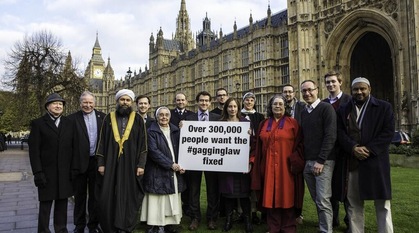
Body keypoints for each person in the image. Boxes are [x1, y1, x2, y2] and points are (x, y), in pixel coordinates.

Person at [337, 77, 394, 233]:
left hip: (376, 161)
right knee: (354, 203)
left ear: (369, 89)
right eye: (356, 89)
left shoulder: (384, 107)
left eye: (363, 89)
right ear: (351, 90)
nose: (359, 92)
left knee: (382, 203)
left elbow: (387, 133)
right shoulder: (344, 109)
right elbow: (340, 133)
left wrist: (369, 149)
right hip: (353, 161)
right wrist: (353, 147)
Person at [95, 89, 148, 233]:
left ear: (131, 102)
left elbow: (143, 144)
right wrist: (101, 163)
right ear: (117, 101)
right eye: (122, 100)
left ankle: (125, 224)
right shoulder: (108, 118)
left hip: (131, 163)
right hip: (111, 162)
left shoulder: (137, 119)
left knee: (129, 193)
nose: (125, 103)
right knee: (108, 194)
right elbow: (101, 142)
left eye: (128, 100)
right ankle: (109, 224)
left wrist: (141, 165)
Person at [251, 95, 304, 233]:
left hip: (286, 167)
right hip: (267, 166)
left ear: (285, 106)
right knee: (270, 196)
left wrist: (296, 160)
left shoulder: (293, 123)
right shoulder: (263, 123)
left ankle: (288, 227)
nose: (278, 106)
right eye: (275, 104)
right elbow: (257, 143)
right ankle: (273, 227)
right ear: (270, 106)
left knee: (287, 195)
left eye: (281, 104)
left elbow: (300, 144)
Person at [28, 93, 75, 233]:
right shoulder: (38, 124)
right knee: (45, 205)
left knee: (62, 204)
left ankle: (61, 230)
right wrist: (38, 172)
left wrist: (73, 169)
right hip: (46, 173)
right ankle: (43, 230)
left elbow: (73, 147)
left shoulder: (69, 123)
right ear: (48, 106)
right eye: (55, 103)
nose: (58, 106)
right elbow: (34, 151)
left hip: (64, 172)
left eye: (61, 104)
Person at [141, 106, 186, 233]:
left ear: (170, 117)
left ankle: (170, 224)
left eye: (166, 115)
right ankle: (153, 225)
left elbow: (183, 150)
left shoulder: (176, 130)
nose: (164, 117)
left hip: (174, 171)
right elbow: (154, 152)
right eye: (161, 115)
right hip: (157, 171)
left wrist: (182, 165)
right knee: (157, 199)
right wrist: (171, 164)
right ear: (156, 117)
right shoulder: (151, 132)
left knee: (171, 198)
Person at [300, 80, 336, 233]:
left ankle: (326, 230)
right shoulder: (303, 112)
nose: (307, 93)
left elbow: (330, 136)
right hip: (307, 162)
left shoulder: (326, 108)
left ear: (317, 90)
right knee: (317, 199)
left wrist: (321, 160)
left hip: (323, 162)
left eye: (310, 90)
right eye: (304, 91)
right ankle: (325, 225)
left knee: (322, 199)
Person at [69, 91, 105, 233]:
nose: (88, 105)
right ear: (80, 103)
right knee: (79, 196)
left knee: (95, 197)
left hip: (96, 163)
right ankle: (79, 226)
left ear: (94, 103)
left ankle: (93, 225)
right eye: (85, 102)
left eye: (90, 102)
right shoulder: (71, 119)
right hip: (79, 163)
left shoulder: (102, 117)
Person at [184, 91, 221, 231]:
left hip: (212, 159)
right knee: (194, 190)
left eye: (206, 101)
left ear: (210, 103)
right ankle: (195, 217)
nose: (204, 103)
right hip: (194, 160)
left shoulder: (218, 118)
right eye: (201, 100)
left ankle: (212, 218)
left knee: (212, 190)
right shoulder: (189, 118)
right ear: (197, 102)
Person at [218, 98, 254, 233]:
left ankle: (247, 220)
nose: (232, 109)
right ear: (226, 108)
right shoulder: (220, 123)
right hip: (226, 165)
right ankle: (228, 220)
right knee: (228, 194)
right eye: (230, 107)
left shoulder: (245, 123)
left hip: (241, 164)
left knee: (244, 194)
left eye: (234, 107)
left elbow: (252, 144)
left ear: (238, 109)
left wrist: (250, 135)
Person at [322, 71, 351, 231]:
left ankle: (350, 220)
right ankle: (333, 219)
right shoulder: (324, 103)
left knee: (347, 189)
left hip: (345, 152)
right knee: (330, 188)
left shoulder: (349, 101)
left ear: (340, 82)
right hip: (329, 153)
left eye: (333, 81)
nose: (331, 85)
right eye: (328, 82)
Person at [282, 84, 305, 225]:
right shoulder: (279, 107)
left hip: (298, 149)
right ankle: (285, 212)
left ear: (294, 93)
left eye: (290, 92)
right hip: (284, 150)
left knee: (298, 184)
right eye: (285, 92)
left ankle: (298, 213)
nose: (288, 94)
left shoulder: (302, 107)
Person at [240, 92, 265, 224]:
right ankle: (241, 212)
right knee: (240, 185)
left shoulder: (259, 116)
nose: (249, 102)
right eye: (247, 100)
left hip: (254, 153)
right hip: (239, 154)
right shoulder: (238, 115)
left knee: (254, 184)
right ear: (243, 101)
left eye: (251, 100)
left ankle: (254, 212)